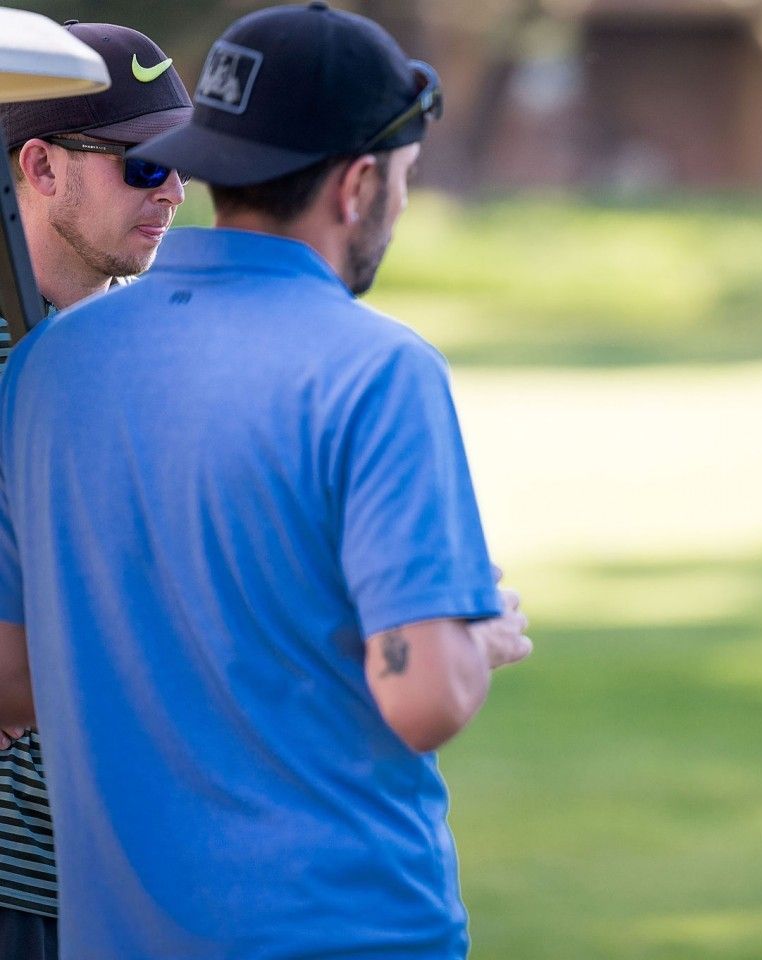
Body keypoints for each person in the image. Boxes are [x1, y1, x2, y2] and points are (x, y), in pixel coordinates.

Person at [0, 3, 529, 957]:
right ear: (359, 183)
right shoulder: (381, 370)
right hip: (345, 930)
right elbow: (424, 697)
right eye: (405, 177)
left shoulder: (46, 364)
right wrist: (476, 633)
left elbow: (9, 681)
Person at [0, 20, 191, 958]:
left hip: (143, 873)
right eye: (143, 164)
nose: (174, 192)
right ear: (40, 166)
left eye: (185, 165)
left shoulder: (166, 352)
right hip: (17, 879)